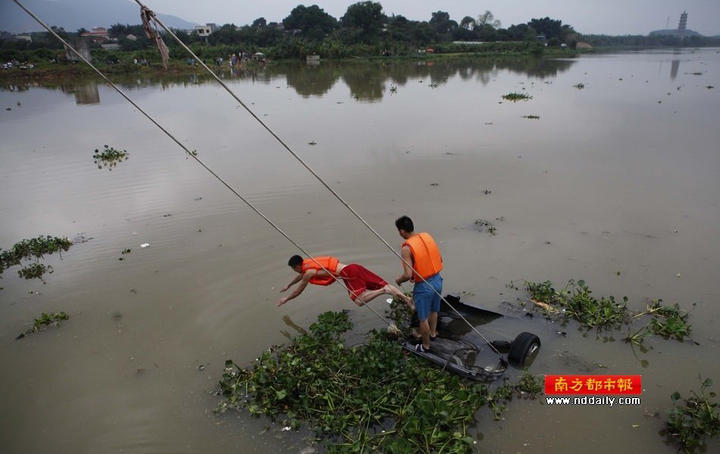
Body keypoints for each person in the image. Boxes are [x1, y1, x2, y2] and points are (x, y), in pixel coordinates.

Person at [278, 255, 413, 308]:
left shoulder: (308, 272)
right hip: (354, 267)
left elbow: (299, 290)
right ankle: (408, 300)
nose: (295, 272)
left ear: (296, 267)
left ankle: (383, 291)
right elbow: (300, 276)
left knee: (359, 301)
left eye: (293, 269)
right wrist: (288, 285)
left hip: (348, 273)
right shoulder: (307, 266)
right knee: (385, 283)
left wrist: (287, 299)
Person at [394, 216, 443, 352]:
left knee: (422, 318)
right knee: (434, 310)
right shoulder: (426, 236)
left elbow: (407, 275)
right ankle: (433, 333)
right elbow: (439, 259)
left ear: (402, 231)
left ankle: (425, 345)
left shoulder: (406, 249)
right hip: (438, 280)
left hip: (424, 286)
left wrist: (399, 280)